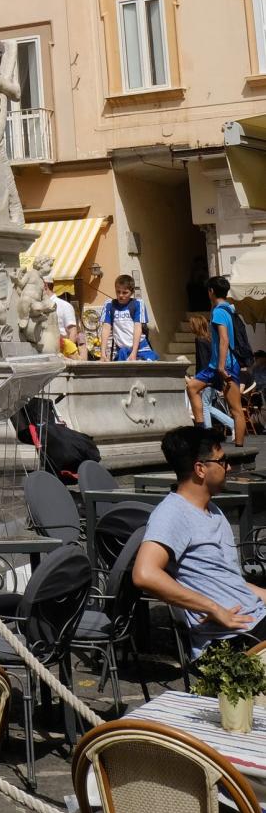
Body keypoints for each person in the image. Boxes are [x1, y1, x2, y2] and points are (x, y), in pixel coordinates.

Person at [134, 424, 266, 651]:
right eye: (222, 461)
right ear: (200, 469)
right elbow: (144, 574)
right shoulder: (172, 513)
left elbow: (227, 580)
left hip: (254, 623)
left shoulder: (212, 510)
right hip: (232, 639)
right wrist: (212, 608)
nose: (229, 467)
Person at [206, 276, 248, 447]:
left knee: (236, 409)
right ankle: (206, 433)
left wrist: (221, 366)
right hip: (228, 364)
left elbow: (224, 339)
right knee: (194, 387)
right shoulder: (228, 309)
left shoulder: (219, 311)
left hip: (226, 365)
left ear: (211, 291)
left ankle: (239, 446)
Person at [100, 274, 158, 362]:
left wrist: (134, 353)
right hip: (122, 350)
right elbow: (106, 328)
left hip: (140, 349)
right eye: (118, 291)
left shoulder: (138, 304)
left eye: (125, 292)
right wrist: (103, 353)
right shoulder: (109, 305)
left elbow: (138, 327)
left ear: (132, 292)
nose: (120, 295)